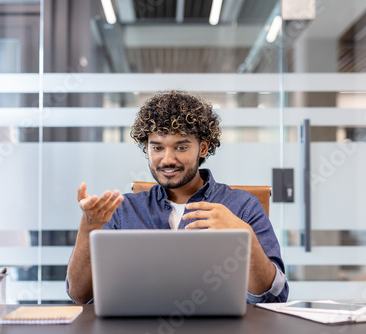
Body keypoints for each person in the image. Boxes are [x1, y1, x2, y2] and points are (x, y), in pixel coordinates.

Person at [66, 90, 288, 304]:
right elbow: (80, 295)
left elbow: (274, 295)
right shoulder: (123, 210)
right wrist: (89, 227)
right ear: (147, 148)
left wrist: (244, 236)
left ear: (203, 148)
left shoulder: (243, 207)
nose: (167, 159)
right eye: (157, 148)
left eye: (181, 147)